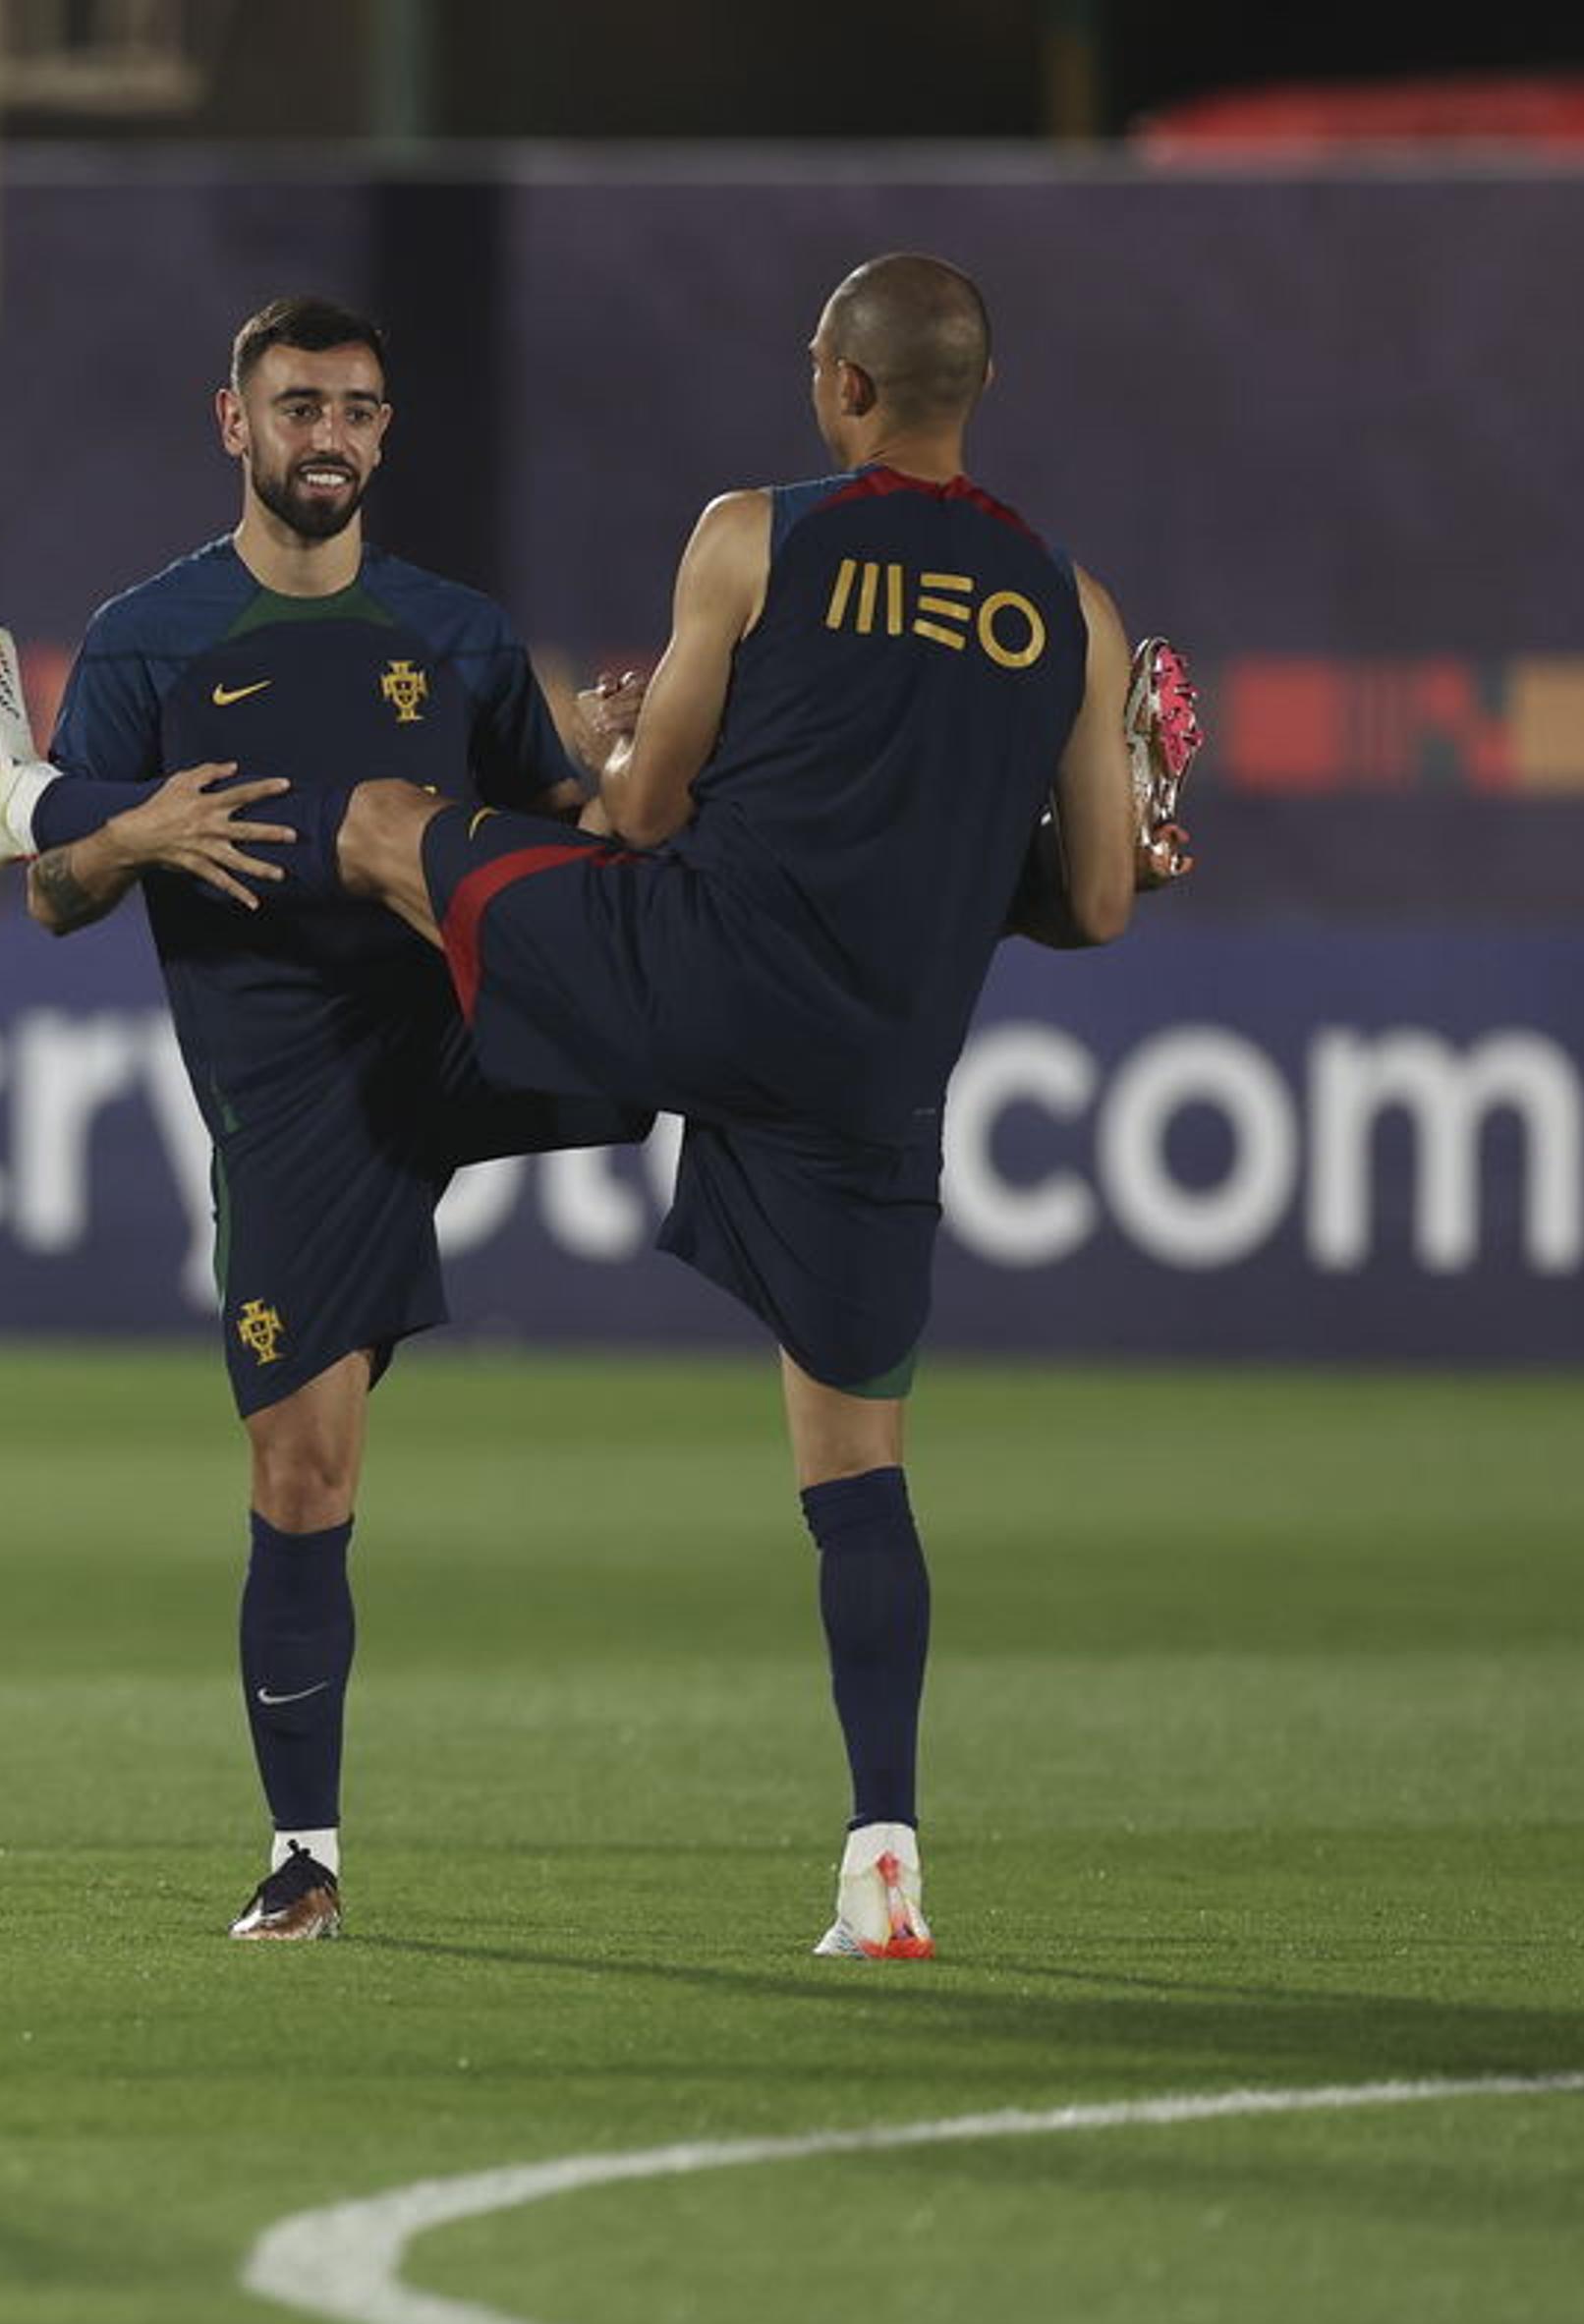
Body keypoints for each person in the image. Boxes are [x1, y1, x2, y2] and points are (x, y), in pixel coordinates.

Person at [316, 253, 1198, 1959]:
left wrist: (616, 739)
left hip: (687, 969)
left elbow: (640, 815)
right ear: (973, 392)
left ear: (844, 388)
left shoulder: (757, 533)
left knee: (373, 828)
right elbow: (1094, 902)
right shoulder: (1069, 610)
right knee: (856, 1471)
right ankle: (884, 1860)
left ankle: (401, 1110)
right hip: (868, 1066)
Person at [0, 298, 641, 1944]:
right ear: (234, 425)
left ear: (383, 434)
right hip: (294, 1091)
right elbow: (53, 903)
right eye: (295, 407)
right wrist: (138, 837)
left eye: (354, 409)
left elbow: (568, 830)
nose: (326, 435)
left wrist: (621, 769)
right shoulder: (148, 637)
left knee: (690, 1008)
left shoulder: (459, 634)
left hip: (467, 1030)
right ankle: (303, 1854)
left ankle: (937, 930)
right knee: (305, 1465)